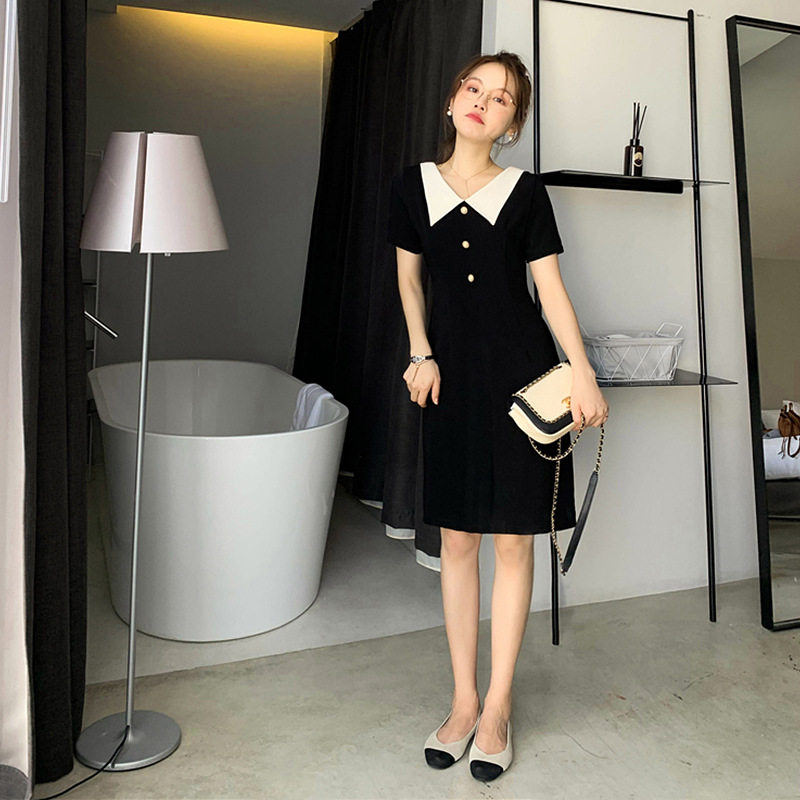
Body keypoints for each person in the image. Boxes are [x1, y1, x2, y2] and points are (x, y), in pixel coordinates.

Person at [387, 51, 609, 781]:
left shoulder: (526, 192)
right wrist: (420, 353)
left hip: (522, 380)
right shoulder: (412, 186)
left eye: (504, 98)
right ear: (453, 100)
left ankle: (498, 707)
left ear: (512, 124)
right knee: (457, 540)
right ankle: (462, 701)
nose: (484, 101)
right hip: (449, 380)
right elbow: (409, 281)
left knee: (514, 542)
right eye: (474, 87)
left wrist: (581, 371)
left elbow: (550, 290)